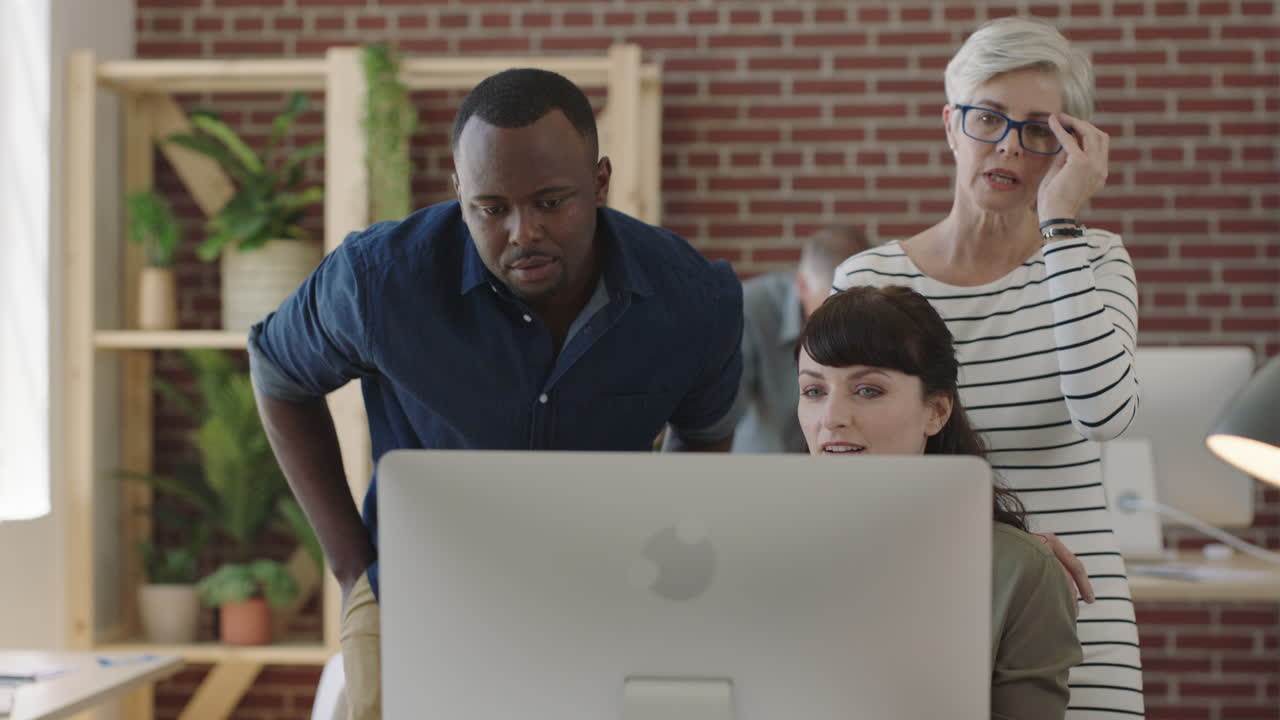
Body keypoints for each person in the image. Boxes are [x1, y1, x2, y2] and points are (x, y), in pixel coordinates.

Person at [248, 68, 743, 719]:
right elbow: (278, 373)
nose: (522, 233)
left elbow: (704, 434)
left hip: (603, 589)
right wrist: (349, 566)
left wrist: (658, 577)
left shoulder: (691, 300)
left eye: (550, 201)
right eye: (491, 208)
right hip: (415, 586)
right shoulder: (380, 281)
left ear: (599, 183)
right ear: (459, 193)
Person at [830, 17, 1141, 717]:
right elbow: (846, 469)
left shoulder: (1093, 259)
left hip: (1078, 612)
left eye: (1038, 129)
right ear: (950, 124)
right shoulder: (868, 278)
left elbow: (1104, 413)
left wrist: (1061, 225)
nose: (1007, 145)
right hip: (917, 600)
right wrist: (1008, 543)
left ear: (1068, 148)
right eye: (988, 119)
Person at [796, 286, 1083, 719]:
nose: (831, 418)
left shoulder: (1017, 572)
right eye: (814, 391)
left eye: (868, 390)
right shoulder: (761, 549)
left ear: (937, 411)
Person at [731, 226, 870, 453]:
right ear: (802, 286)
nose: (840, 327)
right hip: (761, 469)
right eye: (828, 308)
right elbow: (719, 417)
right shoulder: (748, 311)